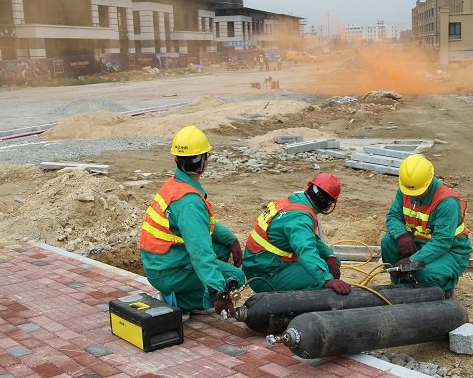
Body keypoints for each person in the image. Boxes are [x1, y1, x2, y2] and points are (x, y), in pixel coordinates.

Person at [139, 126, 245, 316]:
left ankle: (194, 293)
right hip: (168, 272)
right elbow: (200, 252)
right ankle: (180, 301)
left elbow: (202, 227)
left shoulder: (176, 185)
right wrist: (218, 292)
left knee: (220, 248)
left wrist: (230, 239)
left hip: (162, 262)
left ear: (176, 160)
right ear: (204, 161)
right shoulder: (189, 202)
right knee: (236, 277)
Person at [242, 173, 351, 295]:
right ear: (328, 204)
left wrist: (330, 256)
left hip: (263, 264)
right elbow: (306, 251)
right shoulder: (300, 218)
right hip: (265, 276)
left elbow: (309, 238)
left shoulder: (295, 202)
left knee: (332, 262)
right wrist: (327, 280)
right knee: (317, 278)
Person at [380, 154, 472, 298]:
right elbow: (393, 216)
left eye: (418, 193)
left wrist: (411, 261)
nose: (413, 196)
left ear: (428, 182)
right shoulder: (406, 190)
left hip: (450, 251)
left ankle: (445, 287)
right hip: (420, 242)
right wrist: (402, 236)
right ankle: (401, 283)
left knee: (425, 273)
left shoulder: (447, 203)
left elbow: (442, 242)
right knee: (388, 242)